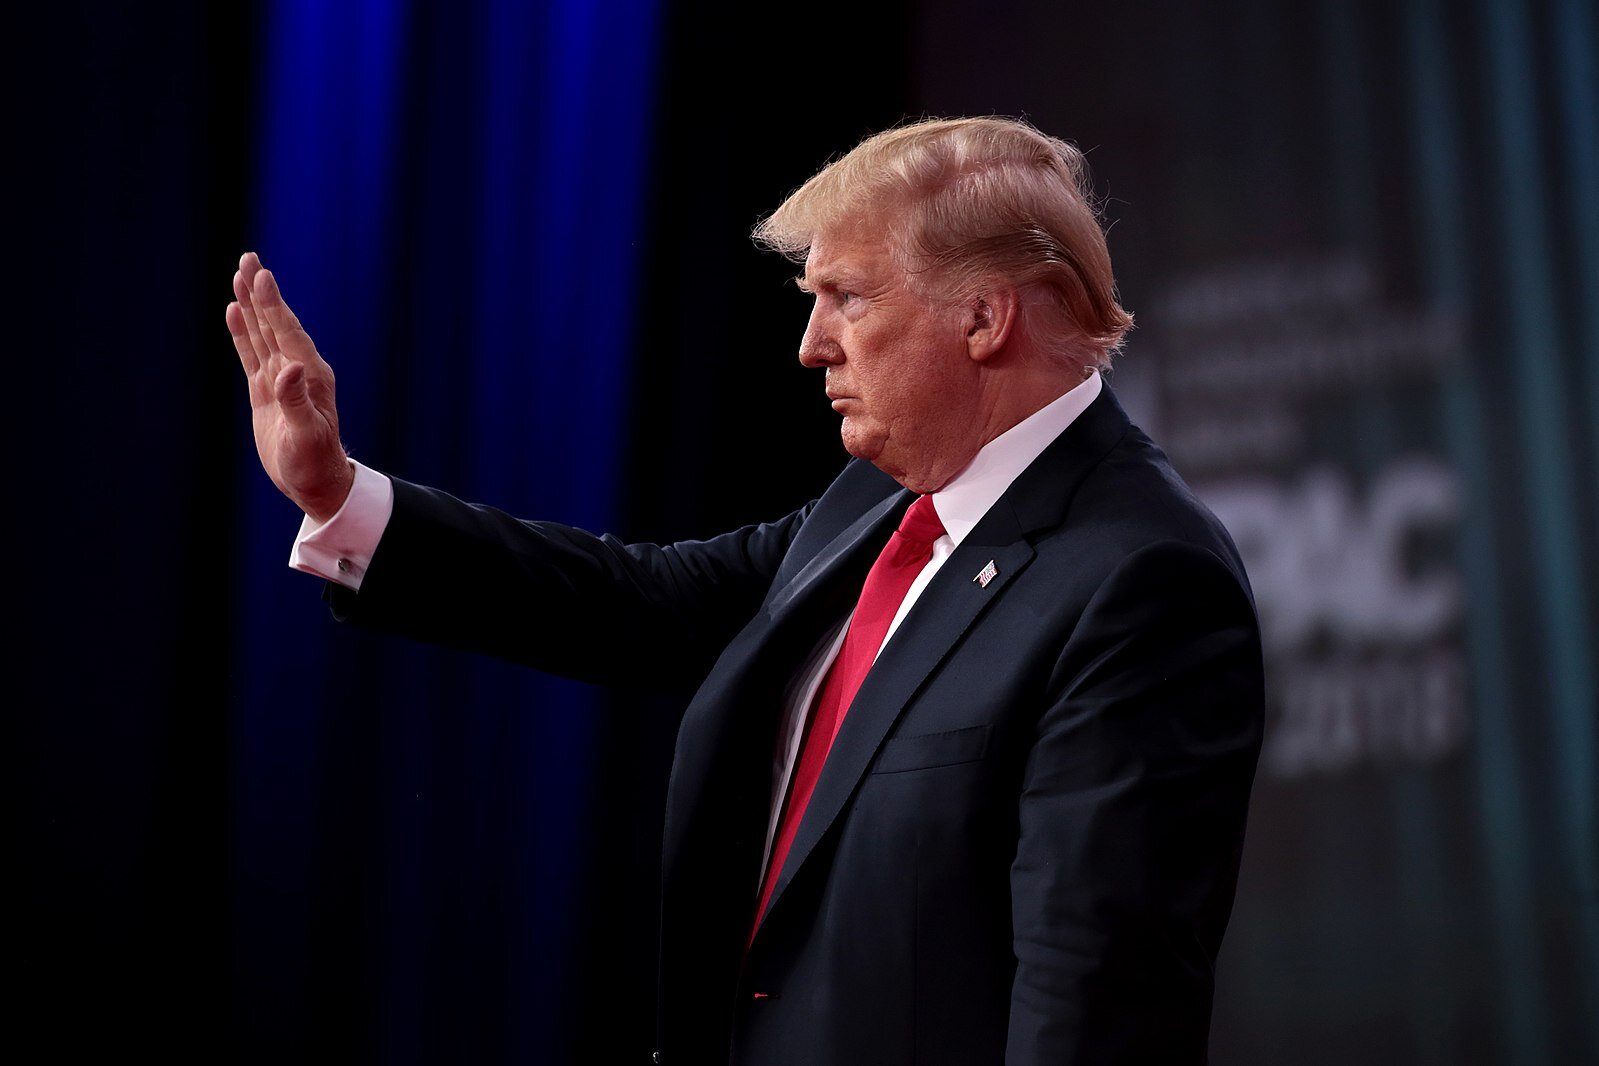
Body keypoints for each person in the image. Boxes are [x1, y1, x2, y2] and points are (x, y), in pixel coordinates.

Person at [228, 116, 1264, 1065]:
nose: (811, 343)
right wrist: (341, 495)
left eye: (847, 298)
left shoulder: (1139, 579)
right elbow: (635, 601)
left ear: (985, 317)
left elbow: (1096, 1005)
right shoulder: (878, 501)